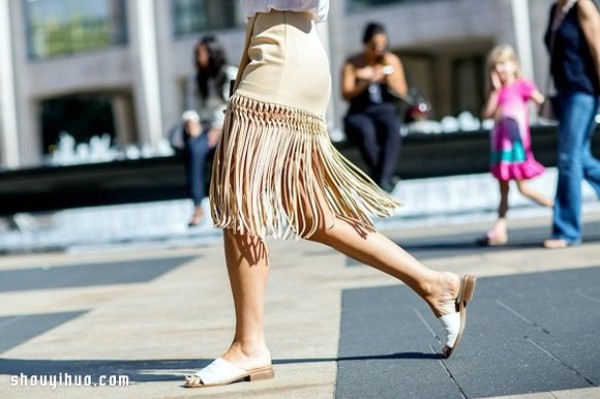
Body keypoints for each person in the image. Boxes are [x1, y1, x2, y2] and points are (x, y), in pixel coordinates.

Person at [184, 1, 477, 388]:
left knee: (239, 197)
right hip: (275, 49)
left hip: (282, 56)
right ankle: (435, 284)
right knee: (312, 215)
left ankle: (249, 345)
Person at [479, 45, 553, 246]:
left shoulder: (522, 86)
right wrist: (494, 91)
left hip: (516, 145)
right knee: (503, 189)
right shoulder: (497, 92)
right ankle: (500, 229)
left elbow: (542, 103)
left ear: (514, 65)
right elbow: (487, 114)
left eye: (503, 63)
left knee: (522, 188)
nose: (500, 69)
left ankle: (557, 209)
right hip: (500, 147)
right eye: (496, 66)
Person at [542, 0, 600, 248]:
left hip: (583, 92)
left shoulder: (583, 6)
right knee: (581, 158)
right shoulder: (556, 9)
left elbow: (598, 48)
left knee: (568, 158)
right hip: (565, 93)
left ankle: (567, 231)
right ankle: (566, 229)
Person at [341, 22, 407, 193]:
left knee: (393, 127)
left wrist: (387, 76)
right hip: (360, 112)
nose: (379, 50)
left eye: (383, 46)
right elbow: (346, 94)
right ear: (366, 44)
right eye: (375, 46)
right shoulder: (353, 63)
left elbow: (402, 92)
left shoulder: (391, 61)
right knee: (365, 130)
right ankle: (385, 177)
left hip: (385, 110)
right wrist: (365, 81)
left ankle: (381, 178)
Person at [181, 35, 238, 227]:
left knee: (226, 152)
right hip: (203, 128)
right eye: (197, 53)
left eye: (202, 52)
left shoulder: (231, 74)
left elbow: (234, 106)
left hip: (226, 127)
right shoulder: (194, 78)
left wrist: (220, 127)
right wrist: (190, 120)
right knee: (195, 150)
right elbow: (190, 106)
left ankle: (227, 205)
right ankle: (198, 207)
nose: (199, 57)